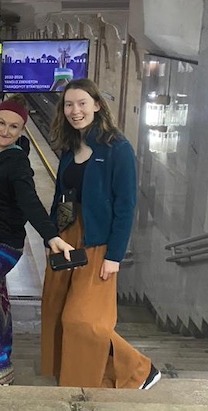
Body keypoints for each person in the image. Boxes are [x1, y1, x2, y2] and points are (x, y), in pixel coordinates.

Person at [0, 52, 74, 386]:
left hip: (3, 244)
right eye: (2, 122)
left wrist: (51, 236)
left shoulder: (17, 162)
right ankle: (3, 348)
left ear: (23, 130)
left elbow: (31, 203)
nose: (5, 130)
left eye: (14, 126)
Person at [42, 79, 160, 390]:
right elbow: (59, 196)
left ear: (97, 105)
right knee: (56, 311)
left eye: (82, 103)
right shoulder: (70, 148)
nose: (75, 111)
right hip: (66, 240)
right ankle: (73, 378)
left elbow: (126, 205)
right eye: (69, 104)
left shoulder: (116, 149)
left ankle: (138, 369)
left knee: (84, 321)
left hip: (97, 242)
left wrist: (114, 257)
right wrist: (51, 236)